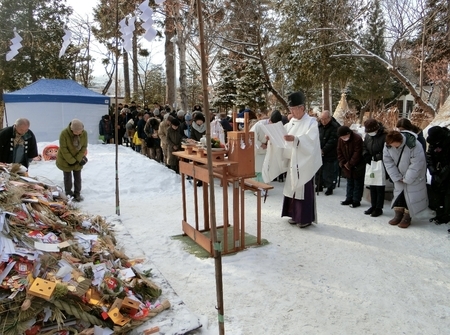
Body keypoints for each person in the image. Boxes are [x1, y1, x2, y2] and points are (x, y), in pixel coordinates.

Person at [262, 90, 322, 228]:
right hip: (292, 161)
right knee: (291, 187)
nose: (292, 112)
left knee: (302, 188)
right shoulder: (292, 122)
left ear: (302, 108)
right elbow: (282, 134)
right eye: (290, 109)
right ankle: (294, 215)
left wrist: (296, 139)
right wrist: (271, 137)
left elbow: (311, 141)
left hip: (304, 163)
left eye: (294, 109)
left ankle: (305, 218)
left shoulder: (311, 122)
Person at [383, 130, 428, 228]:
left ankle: (408, 216)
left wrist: (407, 178)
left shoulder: (414, 144)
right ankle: (398, 214)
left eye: (395, 145)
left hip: (414, 176)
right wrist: (396, 176)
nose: (394, 146)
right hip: (399, 175)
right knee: (399, 195)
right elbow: (388, 162)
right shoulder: (388, 145)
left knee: (411, 196)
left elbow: (417, 164)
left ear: (400, 140)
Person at [56, 119, 88, 202]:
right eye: (76, 132)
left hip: (78, 158)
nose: (78, 133)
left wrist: (78, 158)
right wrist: (71, 160)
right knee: (67, 177)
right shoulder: (64, 134)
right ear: (71, 129)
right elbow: (64, 148)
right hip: (65, 159)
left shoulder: (84, 133)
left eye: (80, 132)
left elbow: (84, 146)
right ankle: (68, 193)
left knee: (78, 176)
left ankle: (77, 193)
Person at [362, 118, 387, 217]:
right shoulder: (368, 136)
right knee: (372, 185)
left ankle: (378, 207)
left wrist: (376, 157)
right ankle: (373, 205)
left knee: (379, 186)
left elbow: (387, 151)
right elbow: (364, 146)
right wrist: (365, 155)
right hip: (371, 163)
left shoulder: (384, 136)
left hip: (380, 163)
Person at [251, 110, 282, 188]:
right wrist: (260, 144)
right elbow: (251, 136)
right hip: (257, 151)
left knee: (265, 169)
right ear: (270, 120)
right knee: (257, 169)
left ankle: (263, 186)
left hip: (268, 151)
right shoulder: (260, 124)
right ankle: (256, 187)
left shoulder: (277, 126)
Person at [337, 126, 366, 208]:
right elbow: (339, 151)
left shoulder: (357, 139)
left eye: (344, 136)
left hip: (358, 165)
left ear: (348, 134)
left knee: (357, 183)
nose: (343, 138)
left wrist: (350, 164)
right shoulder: (340, 140)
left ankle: (356, 200)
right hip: (346, 164)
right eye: (342, 137)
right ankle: (349, 198)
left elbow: (357, 153)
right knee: (349, 182)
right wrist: (342, 162)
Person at [426, 126, 450, 224]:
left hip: (447, 170)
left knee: (448, 193)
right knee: (436, 192)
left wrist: (443, 174)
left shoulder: (448, 141)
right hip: (437, 170)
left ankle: (447, 215)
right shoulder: (433, 142)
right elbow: (429, 157)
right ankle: (439, 214)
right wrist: (433, 172)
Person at [316, 110, 340, 195]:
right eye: (322, 119)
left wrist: (324, 150)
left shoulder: (334, 127)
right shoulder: (319, 126)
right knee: (318, 170)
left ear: (329, 118)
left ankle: (330, 187)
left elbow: (332, 141)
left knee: (328, 171)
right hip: (319, 151)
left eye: (325, 119)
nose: (323, 121)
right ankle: (319, 185)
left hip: (330, 153)